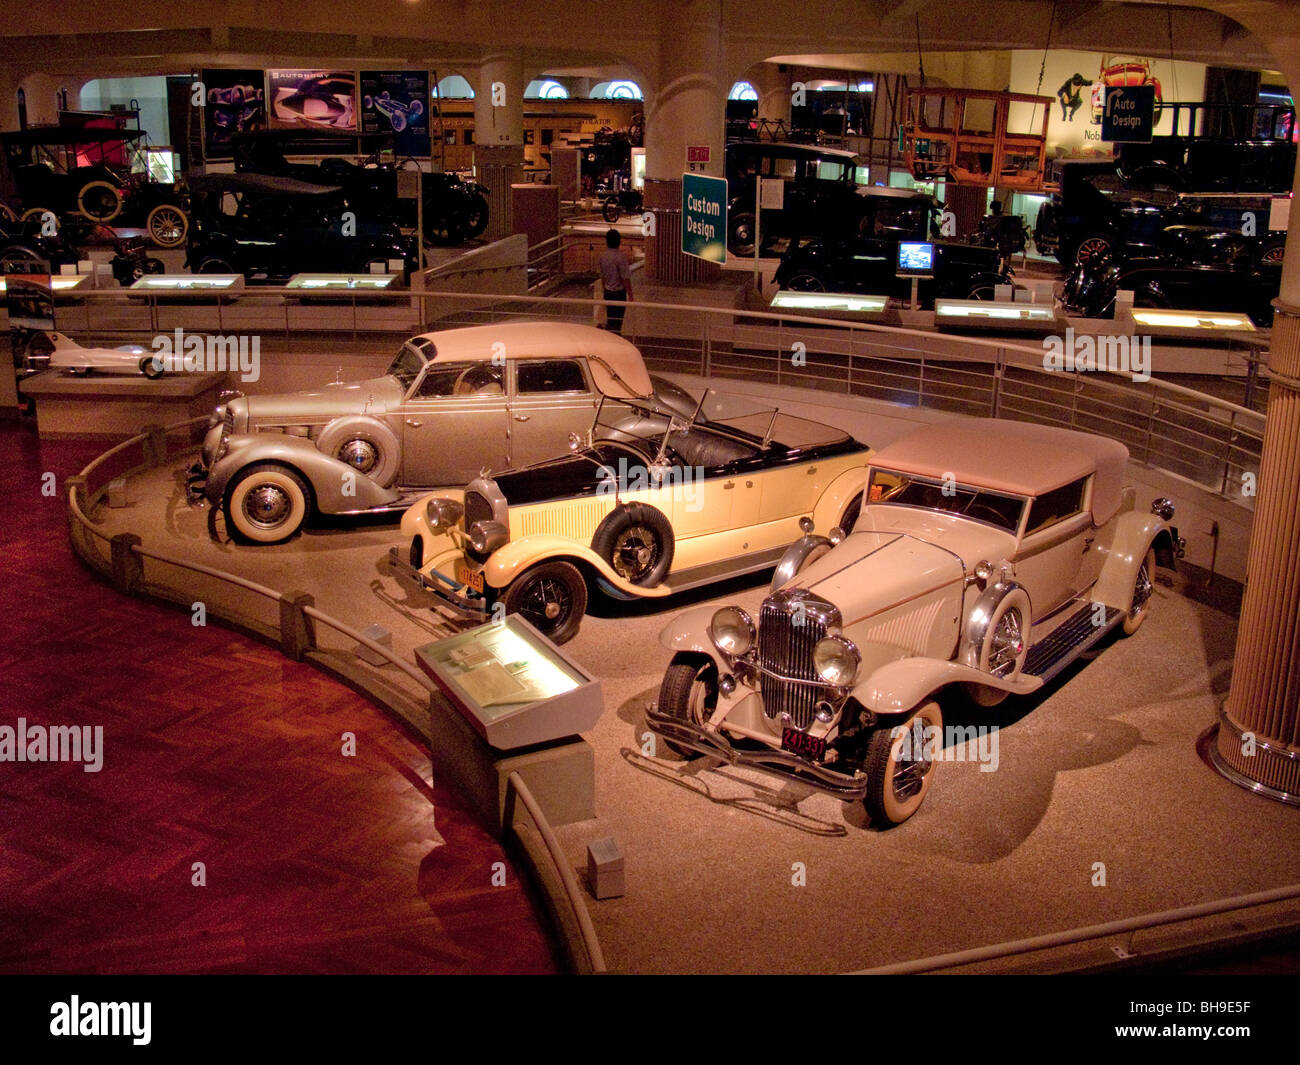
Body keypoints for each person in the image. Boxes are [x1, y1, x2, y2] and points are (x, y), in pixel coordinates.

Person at [598, 228, 633, 334]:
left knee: (610, 318)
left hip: (608, 291)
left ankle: (610, 338)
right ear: (619, 241)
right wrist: (630, 295)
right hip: (618, 293)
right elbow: (625, 277)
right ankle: (616, 339)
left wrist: (604, 289)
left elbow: (602, 276)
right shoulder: (621, 257)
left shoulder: (602, 256)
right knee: (618, 321)